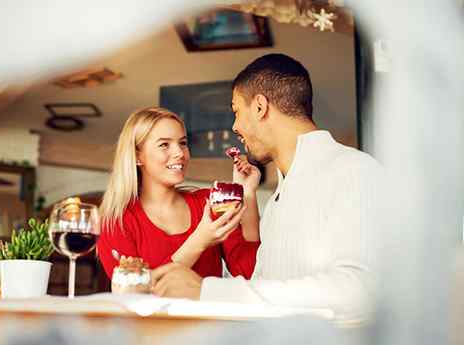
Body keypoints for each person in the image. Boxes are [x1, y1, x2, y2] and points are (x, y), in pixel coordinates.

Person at [151, 54, 381, 321]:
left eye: (236, 111)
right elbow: (261, 293)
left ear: (260, 106)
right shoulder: (274, 205)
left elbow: (358, 290)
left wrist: (208, 290)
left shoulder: (355, 170)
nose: (235, 126)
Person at [97, 107, 260, 281]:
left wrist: (248, 193)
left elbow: (249, 272)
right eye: (164, 145)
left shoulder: (208, 202)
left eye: (182, 143)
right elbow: (134, 290)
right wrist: (200, 240)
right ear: (138, 156)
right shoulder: (116, 222)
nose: (180, 153)